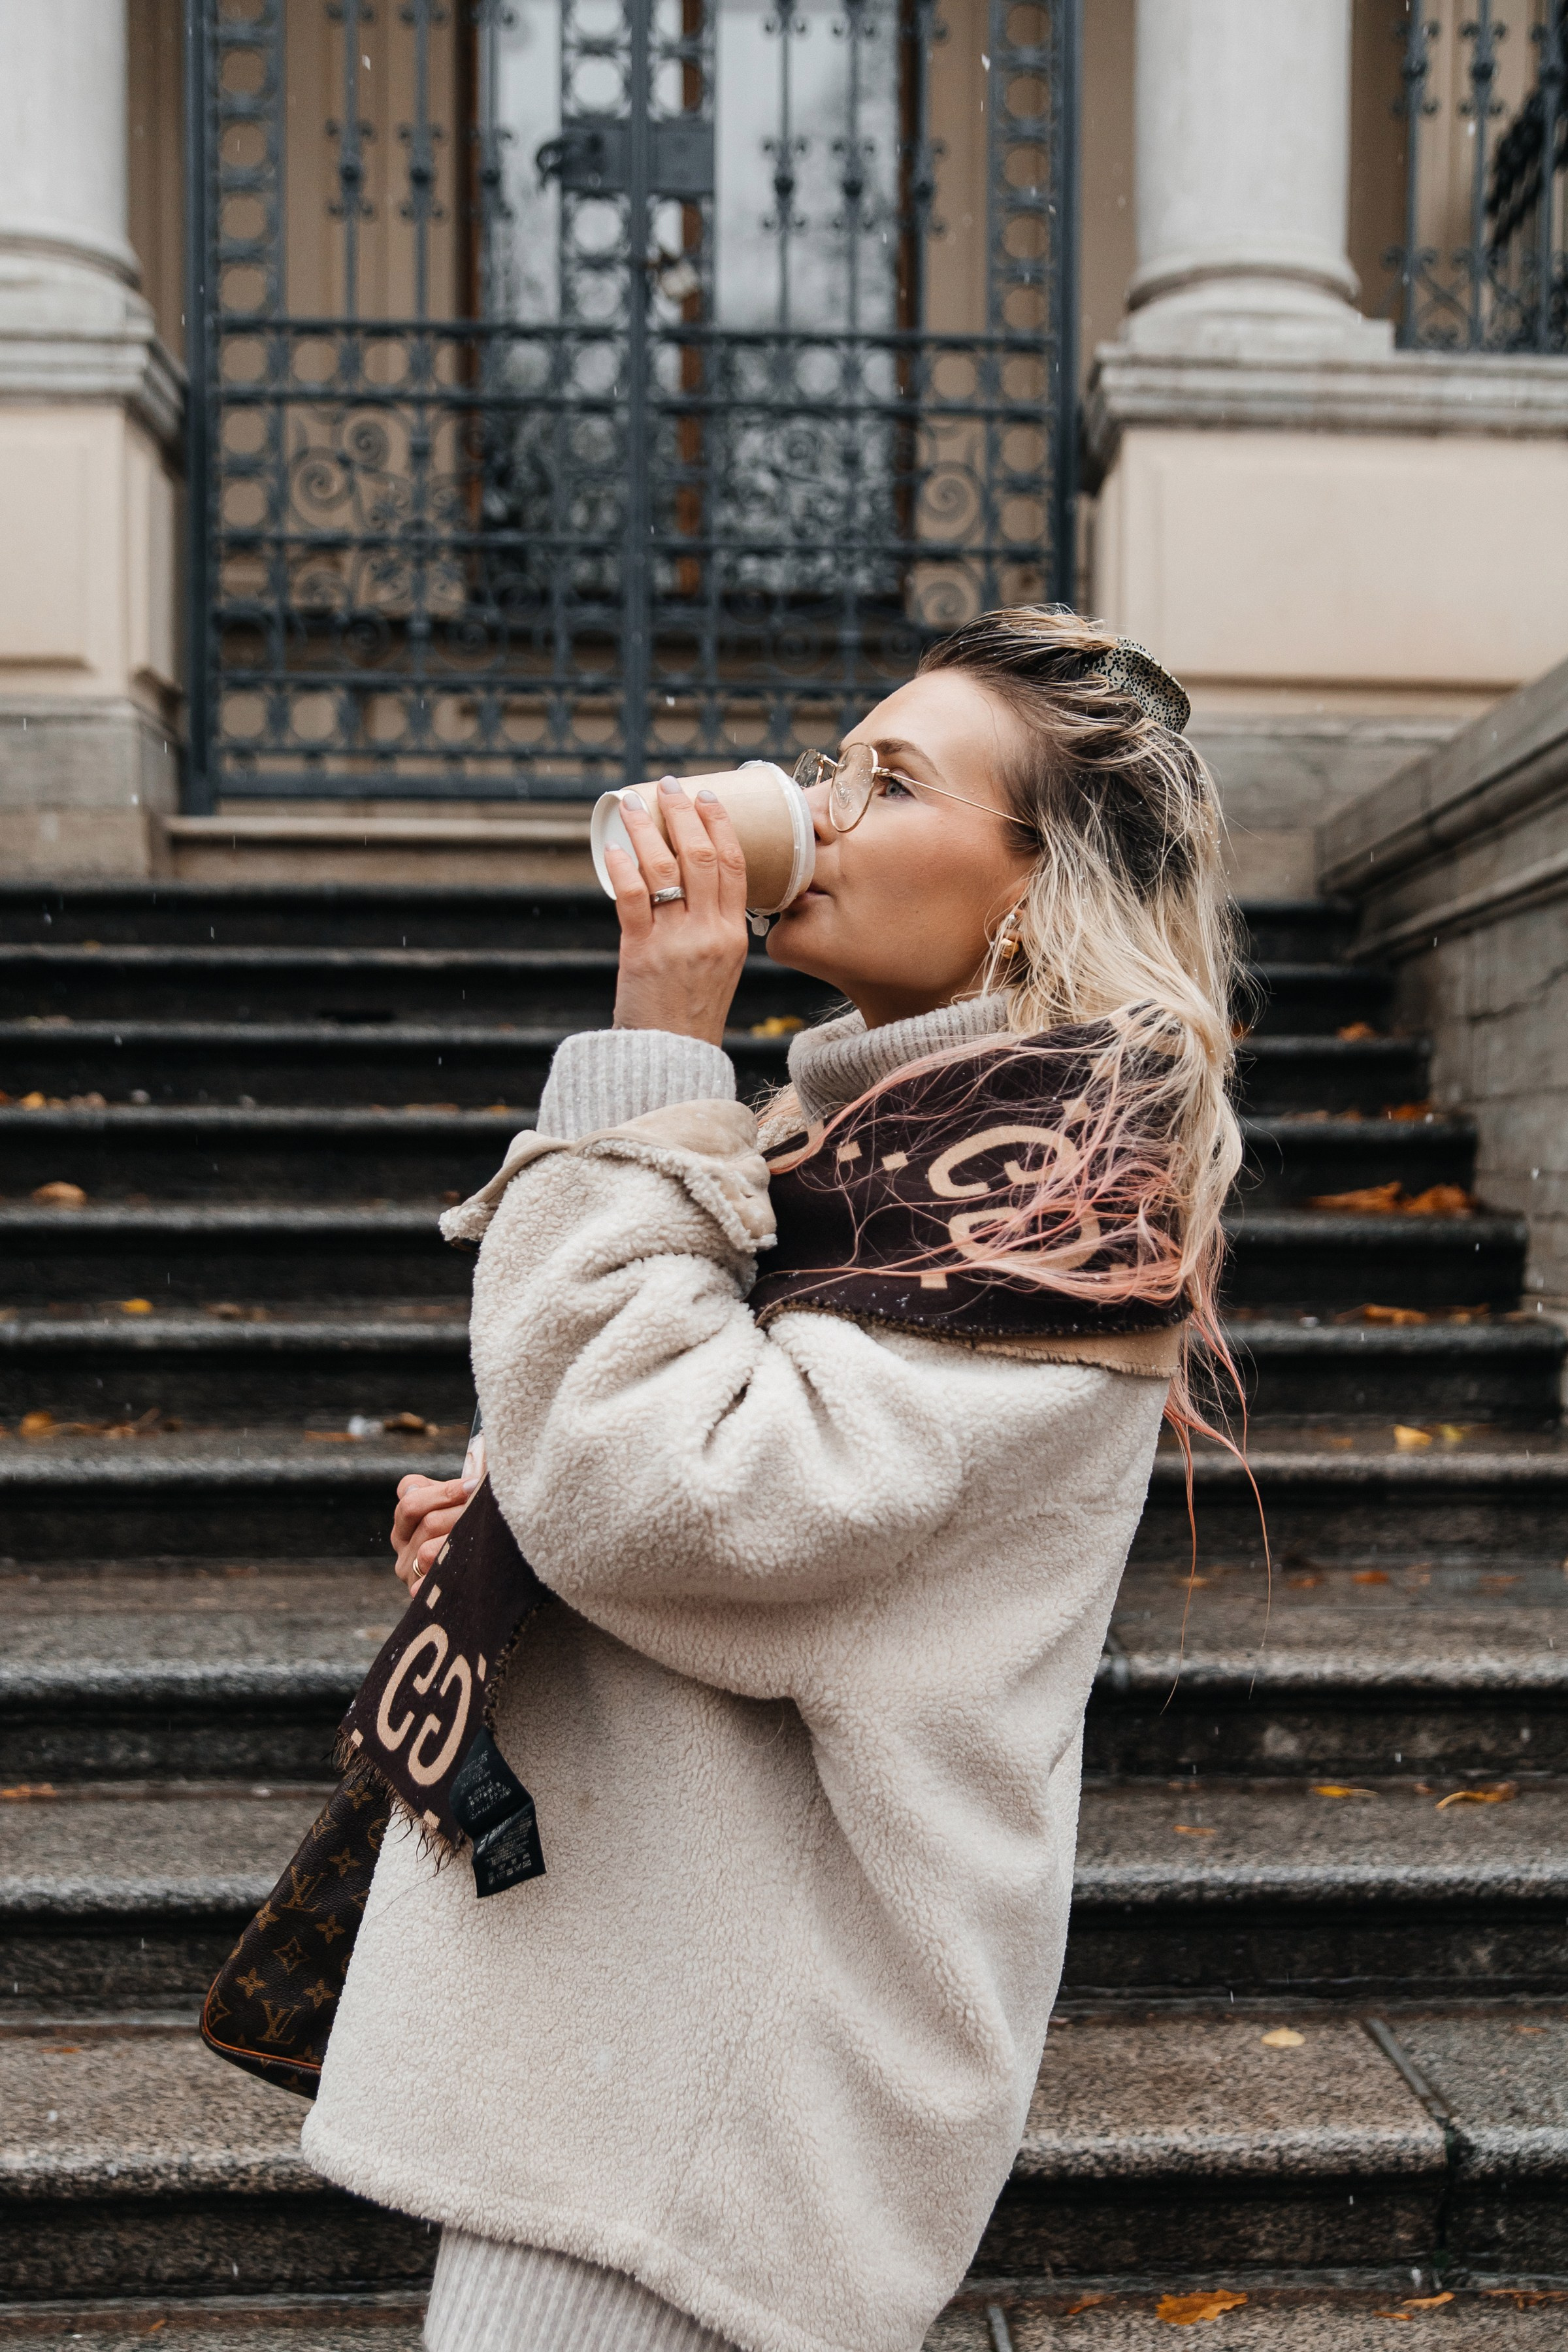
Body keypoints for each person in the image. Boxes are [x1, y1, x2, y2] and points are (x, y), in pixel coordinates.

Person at [301, 606, 1243, 2352]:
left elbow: (679, 1484)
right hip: (658, 2047)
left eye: (892, 782)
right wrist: (524, 1545)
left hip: (721, 2091)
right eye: (834, 765)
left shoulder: (1046, 1216)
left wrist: (658, 1046)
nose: (817, 805)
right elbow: (672, 1511)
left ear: (1031, 887)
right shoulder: (881, 1172)